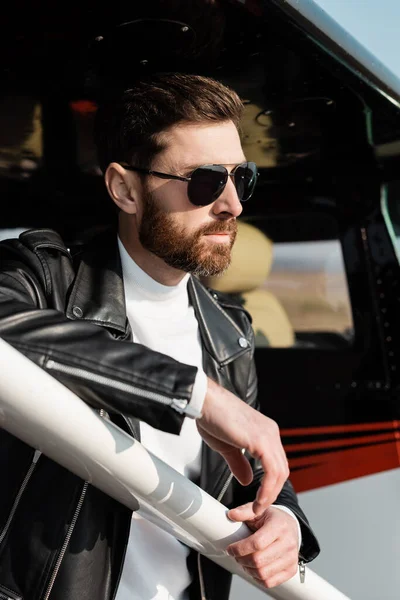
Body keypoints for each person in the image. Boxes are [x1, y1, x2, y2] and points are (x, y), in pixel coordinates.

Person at [0, 73, 319, 600]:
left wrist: (285, 516)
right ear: (125, 188)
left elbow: (249, 473)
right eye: (206, 181)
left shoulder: (229, 333)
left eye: (243, 178)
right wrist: (193, 395)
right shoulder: (42, 280)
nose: (233, 205)